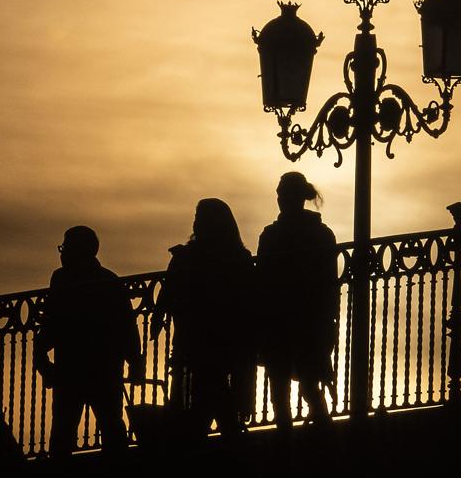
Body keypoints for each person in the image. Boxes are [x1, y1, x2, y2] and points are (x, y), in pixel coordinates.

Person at [150, 198, 257, 439]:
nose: (196, 223)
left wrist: (159, 316)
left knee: (197, 401)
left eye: (199, 219)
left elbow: (169, 292)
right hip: (223, 344)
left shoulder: (186, 257)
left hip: (196, 342)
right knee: (215, 396)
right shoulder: (238, 257)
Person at [34, 225, 144, 457]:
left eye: (65, 248)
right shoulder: (109, 280)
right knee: (111, 427)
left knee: (66, 431)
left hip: (73, 368)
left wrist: (42, 358)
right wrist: (134, 361)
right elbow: (127, 326)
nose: (62, 253)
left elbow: (53, 322)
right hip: (103, 367)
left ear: (76, 251)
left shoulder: (62, 279)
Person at [256, 172, 339, 429]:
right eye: (279, 195)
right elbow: (330, 284)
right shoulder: (322, 235)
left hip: (290, 321)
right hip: (305, 322)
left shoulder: (271, 236)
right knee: (305, 384)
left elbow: (263, 281)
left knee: (288, 387)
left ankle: (292, 439)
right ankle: (320, 431)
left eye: (283, 194)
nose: (280, 199)